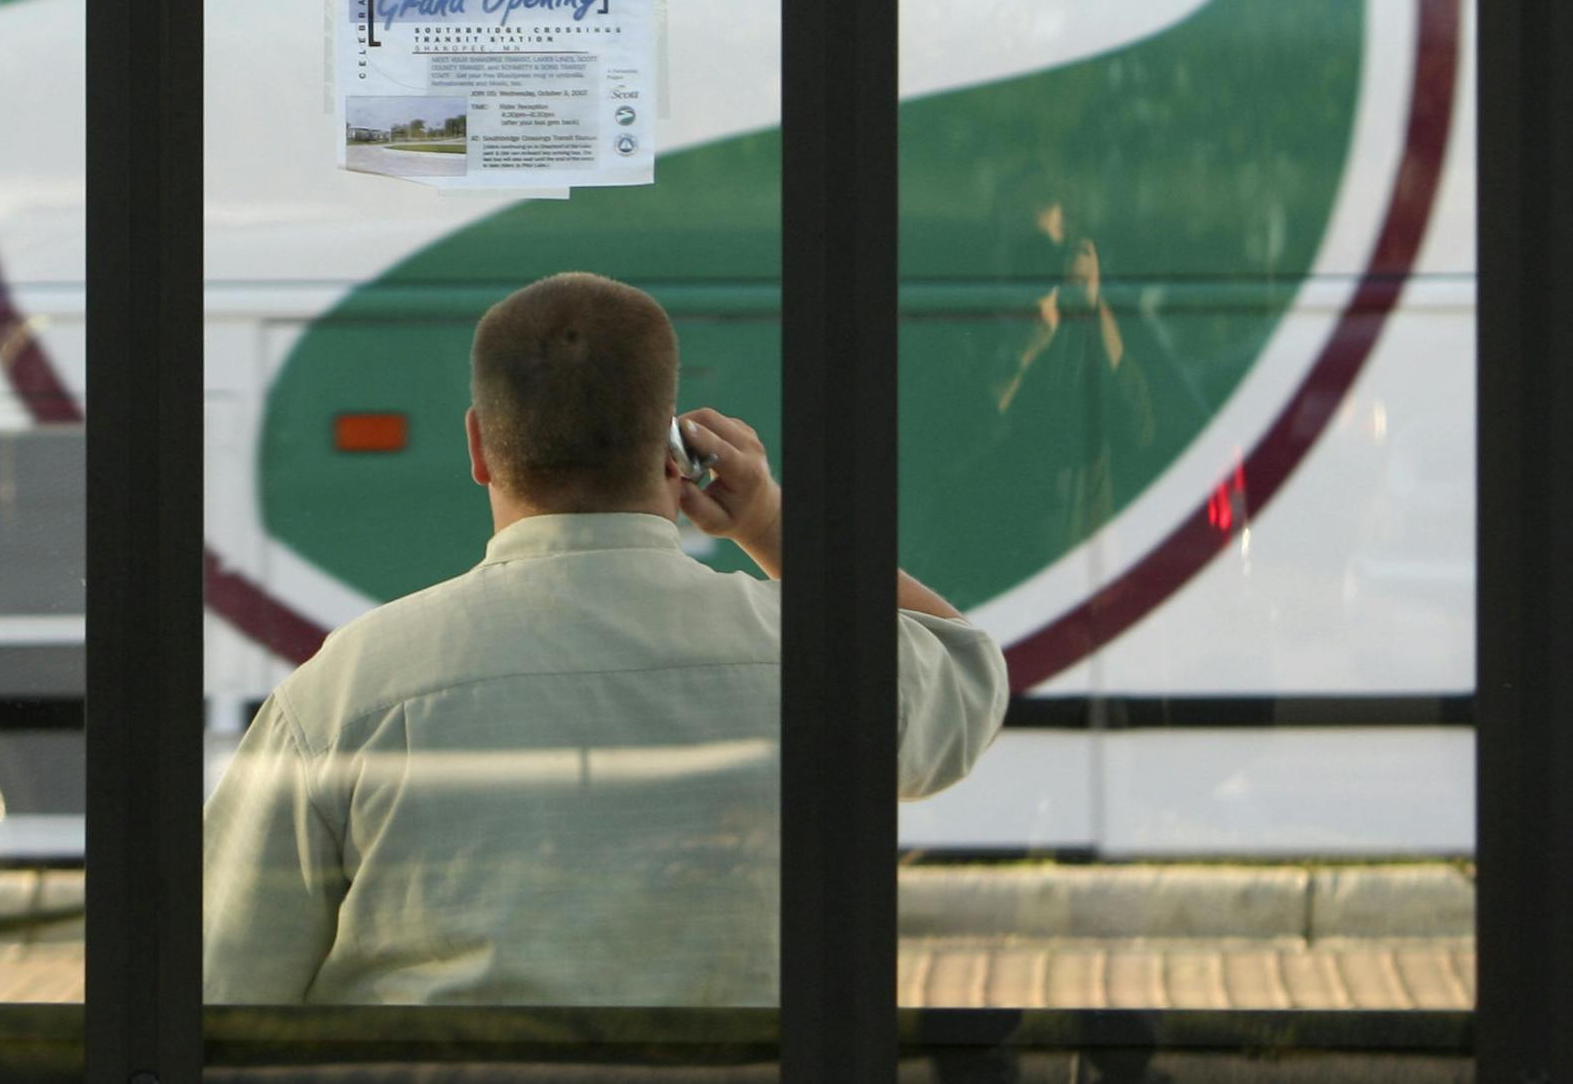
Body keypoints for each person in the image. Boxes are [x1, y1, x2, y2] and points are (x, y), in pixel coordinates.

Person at [202, 270, 1009, 1005]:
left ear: (480, 447)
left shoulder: (347, 686)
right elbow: (963, 670)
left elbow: (224, 977)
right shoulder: (809, 656)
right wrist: (767, 518)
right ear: (674, 452)